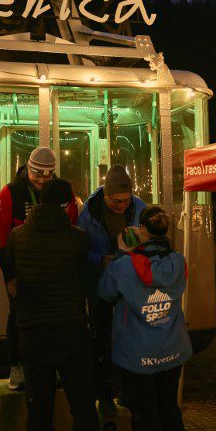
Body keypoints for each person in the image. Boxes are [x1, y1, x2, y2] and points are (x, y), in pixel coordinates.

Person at [5, 179, 101, 431]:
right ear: (65, 206)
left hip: (33, 334)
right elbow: (81, 278)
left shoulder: (18, 237)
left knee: (40, 413)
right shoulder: (78, 240)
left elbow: (14, 280)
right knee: (84, 411)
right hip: (72, 332)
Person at [98, 206, 192, 431]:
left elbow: (105, 292)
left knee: (146, 415)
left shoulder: (125, 266)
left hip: (138, 354)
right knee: (169, 410)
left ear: (141, 230)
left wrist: (123, 254)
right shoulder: (178, 261)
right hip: (173, 348)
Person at [0, 146, 78, 390]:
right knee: (20, 317)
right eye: (36, 174)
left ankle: (54, 367)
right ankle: (17, 366)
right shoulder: (10, 193)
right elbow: (0, 239)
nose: (41, 180)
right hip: (22, 270)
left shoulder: (63, 191)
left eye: (47, 175)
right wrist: (10, 277)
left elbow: (73, 228)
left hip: (55, 270)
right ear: (27, 169)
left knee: (54, 319)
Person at [78, 164, 147, 413]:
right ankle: (104, 390)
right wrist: (101, 260)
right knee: (102, 337)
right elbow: (80, 250)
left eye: (126, 201)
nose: (122, 206)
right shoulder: (88, 212)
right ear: (105, 195)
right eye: (116, 201)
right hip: (101, 285)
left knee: (131, 337)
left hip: (131, 286)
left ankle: (128, 389)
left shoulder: (140, 208)